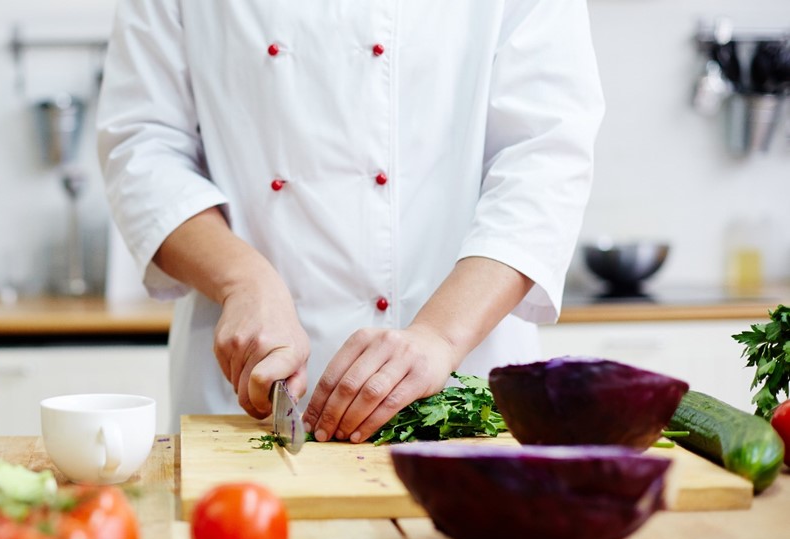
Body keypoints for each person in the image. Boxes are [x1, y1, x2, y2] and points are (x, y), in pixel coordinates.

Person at [96, 1, 605, 442]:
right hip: (251, 391)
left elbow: (546, 156)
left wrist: (440, 337)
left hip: (460, 371)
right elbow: (141, 148)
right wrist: (242, 280)